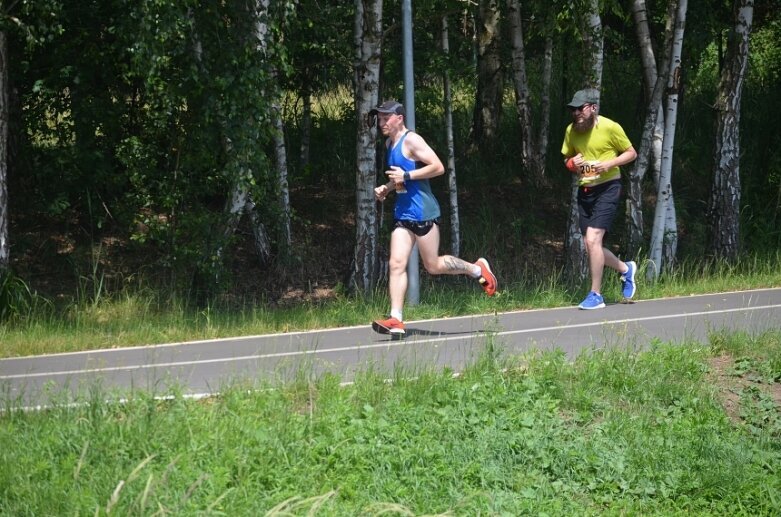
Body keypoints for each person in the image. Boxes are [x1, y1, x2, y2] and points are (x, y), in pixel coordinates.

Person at [369, 100, 497, 337]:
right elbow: (400, 178)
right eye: (380, 118)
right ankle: (396, 319)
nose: (382, 122)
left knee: (433, 265)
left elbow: (438, 167)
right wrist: (387, 188)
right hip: (403, 213)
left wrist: (406, 174)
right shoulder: (389, 143)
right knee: (396, 263)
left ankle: (477, 270)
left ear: (400, 117)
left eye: (387, 117)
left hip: (423, 212)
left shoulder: (412, 140)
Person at [561, 88, 638, 310]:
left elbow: (631, 153)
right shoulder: (571, 131)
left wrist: (609, 164)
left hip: (608, 186)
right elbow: (567, 160)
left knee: (593, 240)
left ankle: (595, 294)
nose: (576, 113)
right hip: (586, 191)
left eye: (580, 108)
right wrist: (572, 164)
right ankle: (625, 269)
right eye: (573, 110)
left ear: (592, 108)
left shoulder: (610, 127)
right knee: (590, 244)